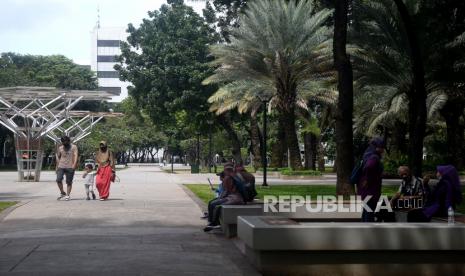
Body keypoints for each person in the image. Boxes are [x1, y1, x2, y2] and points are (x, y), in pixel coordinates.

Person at [204, 163, 244, 232]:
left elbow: (226, 191)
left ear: (226, 170)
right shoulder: (236, 176)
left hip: (234, 198)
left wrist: (220, 198)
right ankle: (213, 222)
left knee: (216, 205)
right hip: (233, 197)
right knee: (213, 203)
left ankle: (215, 223)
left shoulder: (228, 178)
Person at [357, 137, 385, 222]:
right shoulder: (374, 157)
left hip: (366, 189)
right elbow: (369, 167)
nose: (383, 149)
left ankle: (364, 229)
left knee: (366, 210)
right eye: (381, 147)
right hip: (371, 189)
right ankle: (369, 231)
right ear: (377, 147)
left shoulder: (367, 155)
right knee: (369, 210)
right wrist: (367, 179)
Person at [56, 136, 78, 201]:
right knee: (58, 179)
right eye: (63, 142)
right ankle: (62, 192)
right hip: (61, 166)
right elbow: (58, 157)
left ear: (69, 141)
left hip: (70, 166)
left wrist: (74, 164)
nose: (64, 143)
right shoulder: (60, 148)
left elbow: (76, 155)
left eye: (66, 142)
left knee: (69, 182)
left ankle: (67, 195)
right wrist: (57, 166)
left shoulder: (74, 147)